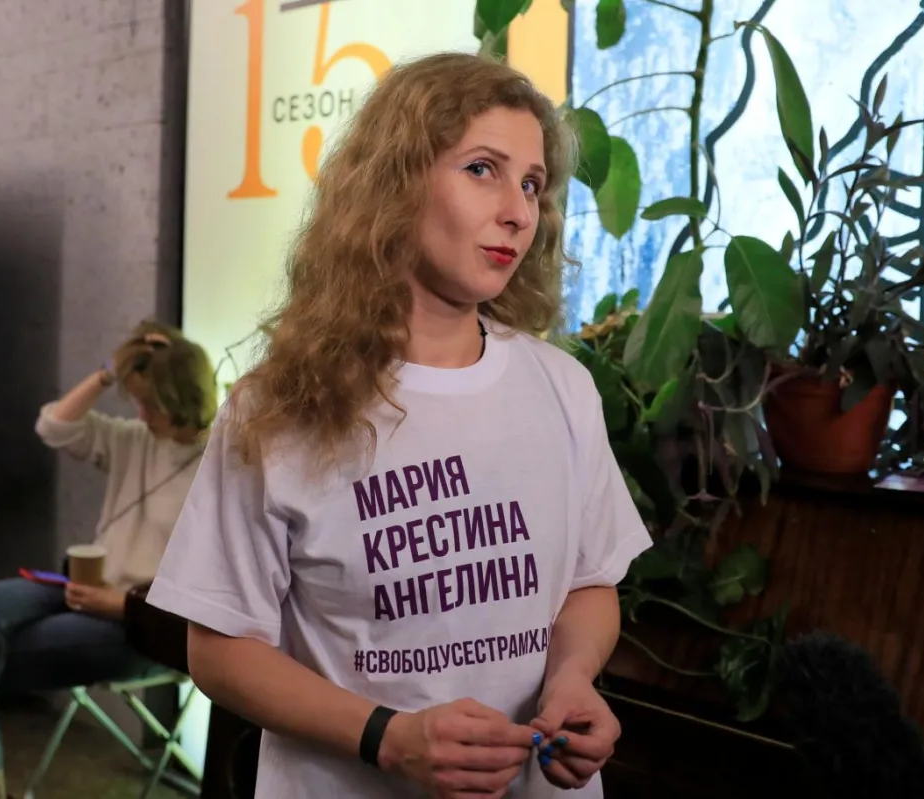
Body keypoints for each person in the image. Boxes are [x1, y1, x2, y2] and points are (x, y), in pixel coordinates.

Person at [147, 52, 652, 799]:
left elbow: (588, 582)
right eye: (482, 169)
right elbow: (220, 649)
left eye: (532, 183)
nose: (519, 211)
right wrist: (387, 736)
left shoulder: (562, 387)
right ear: (396, 182)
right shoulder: (282, 406)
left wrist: (573, 678)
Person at [0, 320, 217, 799]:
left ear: (185, 398)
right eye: (136, 400)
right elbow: (53, 425)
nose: (140, 413)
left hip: (142, 625)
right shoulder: (133, 439)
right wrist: (109, 371)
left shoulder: (220, 468)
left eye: (151, 404)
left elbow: (210, 595)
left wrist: (123, 604)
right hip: (85, 586)